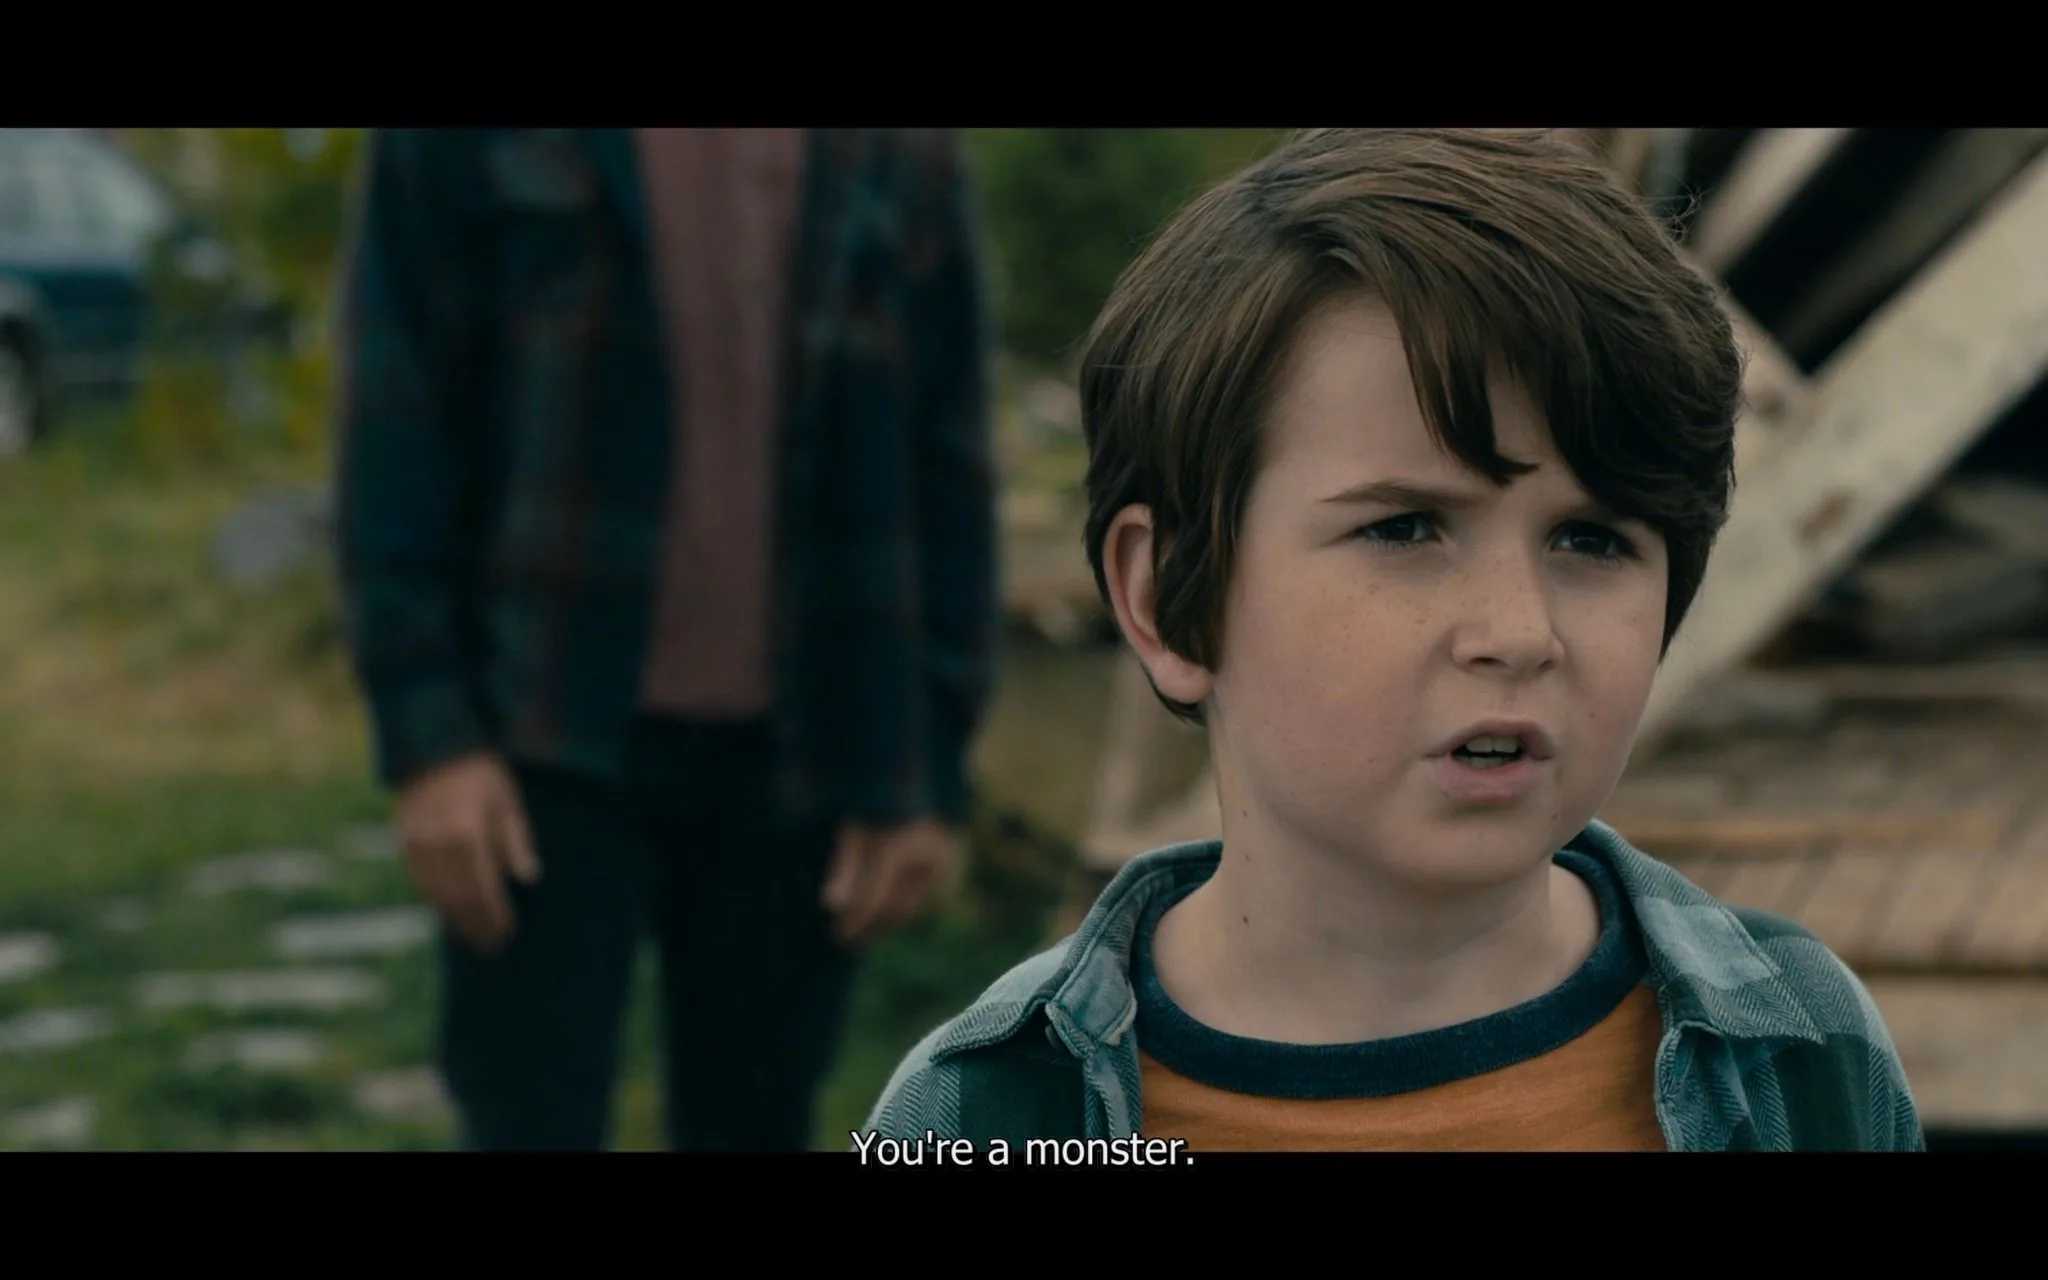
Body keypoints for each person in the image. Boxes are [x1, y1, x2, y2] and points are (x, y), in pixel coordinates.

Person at [862, 128, 1922, 1152]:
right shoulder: (984, 1113)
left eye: (1591, 539)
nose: (1519, 632)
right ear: (1164, 599)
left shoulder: (1802, 1048)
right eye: (1405, 528)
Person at [332, 128, 996, 1151]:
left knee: (757, 1123)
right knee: (526, 1122)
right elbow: (396, 408)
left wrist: (925, 765)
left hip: (800, 751)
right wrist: (431, 741)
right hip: (539, 733)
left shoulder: (899, 146)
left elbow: (945, 448)